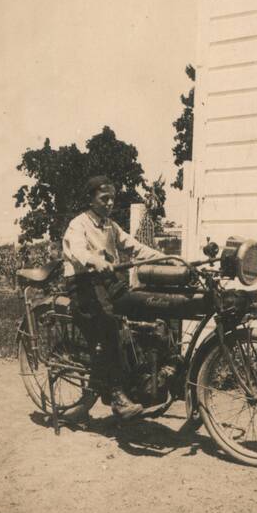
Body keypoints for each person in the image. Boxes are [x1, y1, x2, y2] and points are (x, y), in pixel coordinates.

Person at [63, 175, 161, 419]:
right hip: (83, 284)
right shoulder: (79, 224)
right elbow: (77, 251)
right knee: (108, 325)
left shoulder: (111, 226)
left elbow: (134, 246)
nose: (109, 203)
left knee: (142, 310)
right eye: (103, 198)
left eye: (112, 199)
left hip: (107, 283)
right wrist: (95, 261)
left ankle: (140, 375)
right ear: (91, 199)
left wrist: (161, 257)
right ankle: (117, 397)